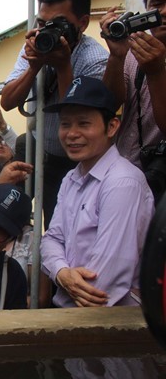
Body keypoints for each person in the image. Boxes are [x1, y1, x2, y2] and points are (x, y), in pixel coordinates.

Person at [0, 0, 108, 228]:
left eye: (57, 24)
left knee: (66, 227)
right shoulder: (35, 46)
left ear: (81, 23)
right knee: (23, 217)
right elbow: (7, 101)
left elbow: (74, 118)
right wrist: (33, 66)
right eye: (42, 23)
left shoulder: (95, 59)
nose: (47, 31)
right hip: (40, 151)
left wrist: (62, 65)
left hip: (76, 162)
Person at [40, 76, 154, 308]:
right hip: (73, 314)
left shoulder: (122, 182)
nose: (72, 134)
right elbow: (51, 239)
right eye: (65, 124)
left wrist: (64, 280)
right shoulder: (71, 179)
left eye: (83, 123)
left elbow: (101, 287)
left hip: (113, 324)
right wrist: (61, 272)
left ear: (111, 126)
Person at [100, 0, 166, 202]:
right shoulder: (135, 48)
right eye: (157, 3)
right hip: (127, 178)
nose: (163, 11)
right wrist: (116, 56)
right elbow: (108, 104)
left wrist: (156, 73)